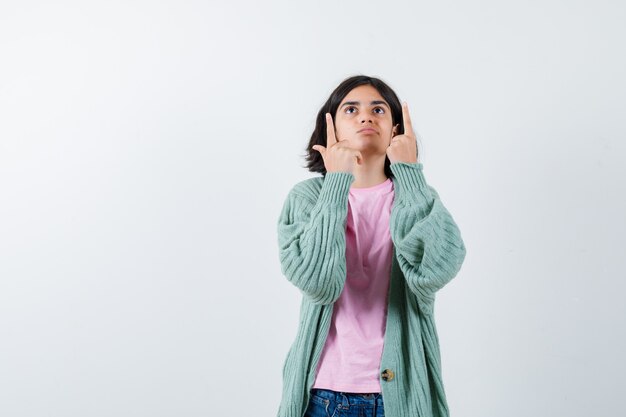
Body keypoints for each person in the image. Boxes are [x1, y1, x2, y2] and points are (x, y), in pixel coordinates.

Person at [275, 75, 467, 417]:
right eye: (352, 109)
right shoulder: (307, 199)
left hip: (402, 395)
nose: (366, 117)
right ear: (330, 128)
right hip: (323, 394)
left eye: (378, 109)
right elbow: (318, 284)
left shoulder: (417, 199)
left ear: (395, 130)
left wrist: (410, 173)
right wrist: (336, 182)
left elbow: (439, 268)